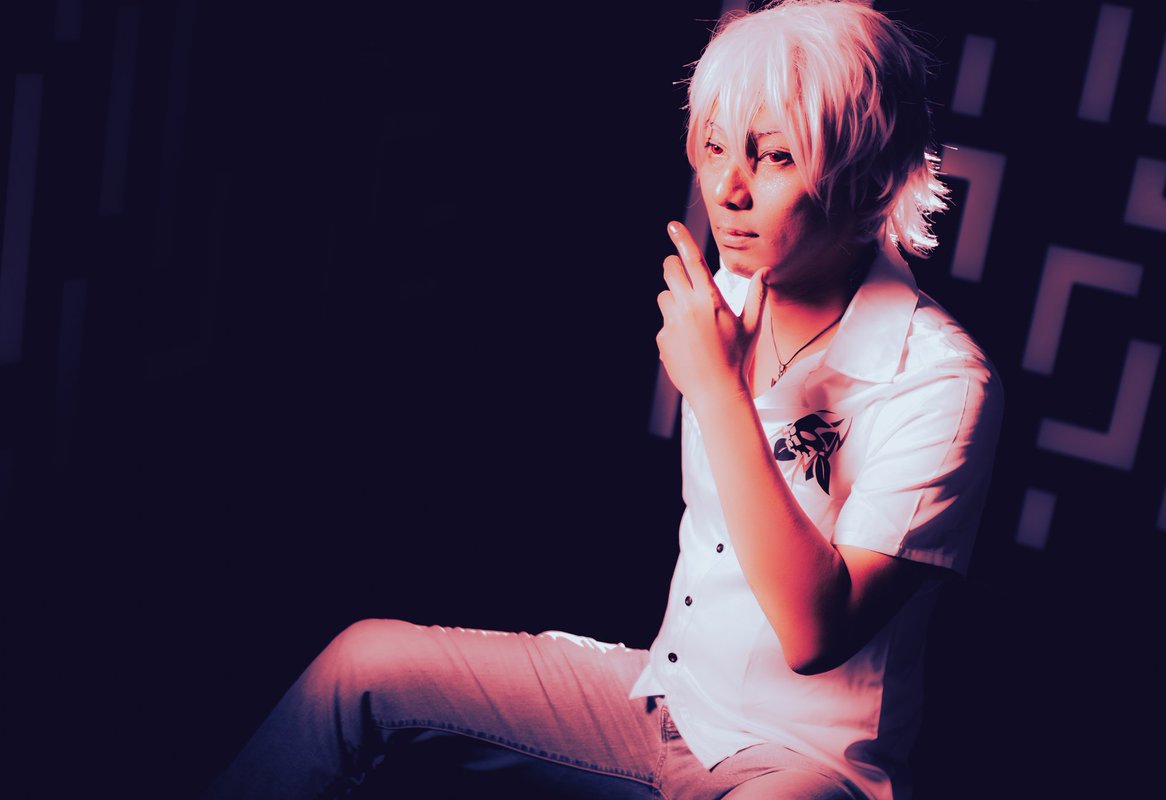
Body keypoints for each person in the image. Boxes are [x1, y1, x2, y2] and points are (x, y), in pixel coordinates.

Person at [204, 1, 1002, 798]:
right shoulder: (723, 298)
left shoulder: (941, 381)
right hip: (663, 699)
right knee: (364, 666)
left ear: (869, 179)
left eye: (775, 157)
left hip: (804, 760)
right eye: (715, 145)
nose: (727, 188)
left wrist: (719, 390)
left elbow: (813, 632)